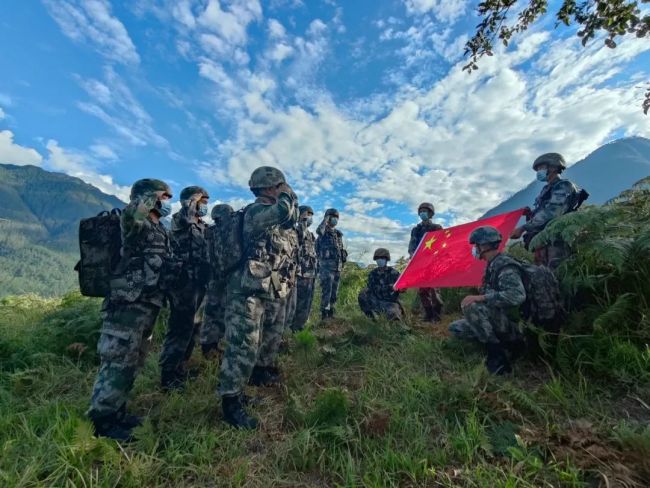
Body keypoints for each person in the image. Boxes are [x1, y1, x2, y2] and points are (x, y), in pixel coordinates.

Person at [87, 179, 174, 441]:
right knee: (117, 360)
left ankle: (117, 412)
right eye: (164, 196)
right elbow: (130, 219)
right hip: (127, 304)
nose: (168, 201)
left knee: (132, 361)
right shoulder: (135, 221)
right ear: (151, 197)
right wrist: (143, 202)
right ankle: (101, 422)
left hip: (146, 304)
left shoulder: (159, 228)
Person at [217, 166, 297, 429]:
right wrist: (287, 195)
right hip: (244, 290)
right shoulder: (256, 212)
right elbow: (284, 211)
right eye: (280, 186)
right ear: (269, 188)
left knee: (252, 344)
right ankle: (230, 405)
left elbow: (288, 221)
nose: (283, 190)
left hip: (259, 289)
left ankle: (239, 393)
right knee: (241, 346)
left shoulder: (267, 216)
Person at [448, 226, 526, 375]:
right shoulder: (492, 266)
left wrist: (481, 297)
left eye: (476, 245)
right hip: (499, 319)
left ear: (484, 245)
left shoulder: (505, 265)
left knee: (471, 306)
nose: (475, 249)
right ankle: (501, 343)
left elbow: (517, 295)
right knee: (456, 328)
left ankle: (498, 356)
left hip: (514, 325)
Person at [159, 186, 210, 391]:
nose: (205, 205)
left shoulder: (203, 226)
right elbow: (186, 217)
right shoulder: (180, 219)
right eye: (202, 201)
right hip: (182, 283)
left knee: (194, 327)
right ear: (192, 201)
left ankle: (182, 367)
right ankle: (168, 375)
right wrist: (190, 202)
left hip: (199, 282)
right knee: (180, 328)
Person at [510, 153, 578, 269]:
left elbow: (552, 212)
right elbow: (544, 211)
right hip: (544, 242)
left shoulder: (564, 186)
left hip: (557, 243)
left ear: (553, 167)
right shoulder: (547, 189)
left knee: (556, 276)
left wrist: (523, 228)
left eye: (541, 168)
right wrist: (530, 213)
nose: (538, 172)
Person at [200, 204, 234, 358]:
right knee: (213, 312)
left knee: (220, 312)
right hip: (216, 279)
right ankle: (208, 345)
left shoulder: (220, 232)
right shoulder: (213, 233)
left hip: (222, 278)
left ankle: (215, 343)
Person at [408, 202, 444, 323]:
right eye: (421, 211)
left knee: (434, 290)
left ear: (430, 214)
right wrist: (412, 255)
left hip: (434, 263)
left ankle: (437, 315)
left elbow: (442, 244)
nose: (423, 213)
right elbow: (412, 245)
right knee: (423, 290)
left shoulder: (436, 228)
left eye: (426, 211)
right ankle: (428, 315)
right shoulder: (416, 230)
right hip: (420, 264)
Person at [286, 205, 318, 331]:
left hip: (311, 274)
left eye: (311, 215)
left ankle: (300, 328)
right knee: (296, 304)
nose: (309, 218)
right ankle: (291, 330)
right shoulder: (295, 230)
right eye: (307, 214)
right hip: (299, 274)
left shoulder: (311, 235)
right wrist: (302, 223)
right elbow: (298, 241)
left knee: (307, 304)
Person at [316, 208, 347, 320]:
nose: (335, 219)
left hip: (337, 267)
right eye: (332, 216)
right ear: (328, 218)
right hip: (326, 268)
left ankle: (331, 313)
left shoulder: (338, 235)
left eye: (336, 217)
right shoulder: (323, 232)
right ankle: (324, 315)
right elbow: (319, 231)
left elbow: (341, 251)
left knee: (334, 293)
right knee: (327, 292)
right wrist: (325, 220)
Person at [358, 248, 403, 321]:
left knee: (394, 317)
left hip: (390, 302)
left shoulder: (394, 273)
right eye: (378, 258)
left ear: (386, 259)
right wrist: (390, 287)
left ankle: (394, 315)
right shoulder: (372, 274)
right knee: (363, 293)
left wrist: (401, 288)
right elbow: (372, 288)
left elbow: (401, 287)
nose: (379, 260)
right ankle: (372, 318)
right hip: (376, 300)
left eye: (382, 258)